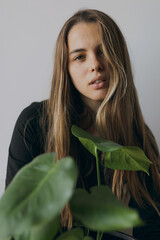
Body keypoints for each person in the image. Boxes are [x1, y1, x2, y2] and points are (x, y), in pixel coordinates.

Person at [6, 9, 160, 240]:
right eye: (80, 56)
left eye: (104, 51)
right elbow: (15, 225)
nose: (96, 65)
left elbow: (152, 228)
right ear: (66, 69)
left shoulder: (139, 139)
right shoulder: (34, 124)